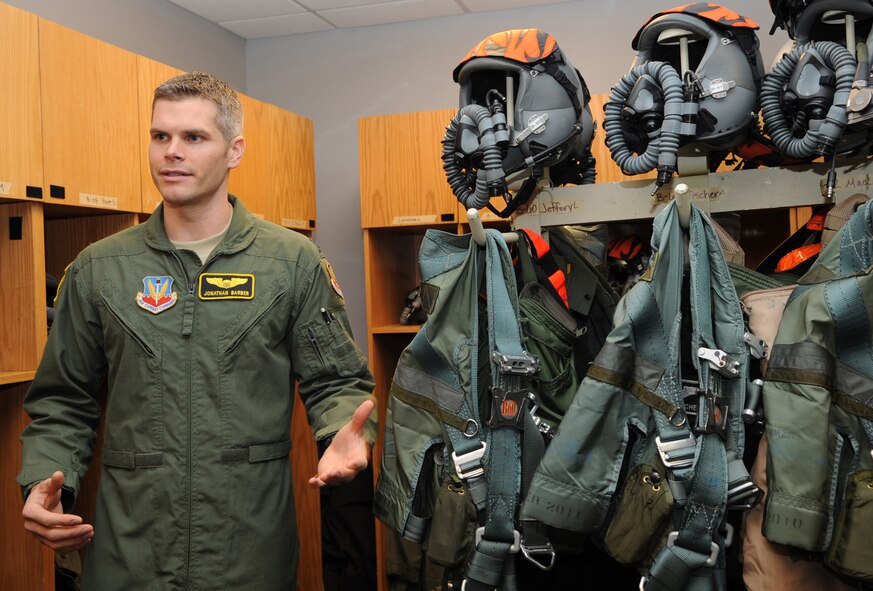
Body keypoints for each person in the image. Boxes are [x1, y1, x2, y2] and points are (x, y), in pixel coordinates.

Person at [17, 71, 377, 590]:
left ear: (234, 151)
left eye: (193, 137)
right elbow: (62, 401)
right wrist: (43, 479)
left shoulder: (290, 263)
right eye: (160, 135)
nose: (171, 152)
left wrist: (345, 431)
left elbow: (337, 382)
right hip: (129, 555)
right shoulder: (100, 269)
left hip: (249, 555)